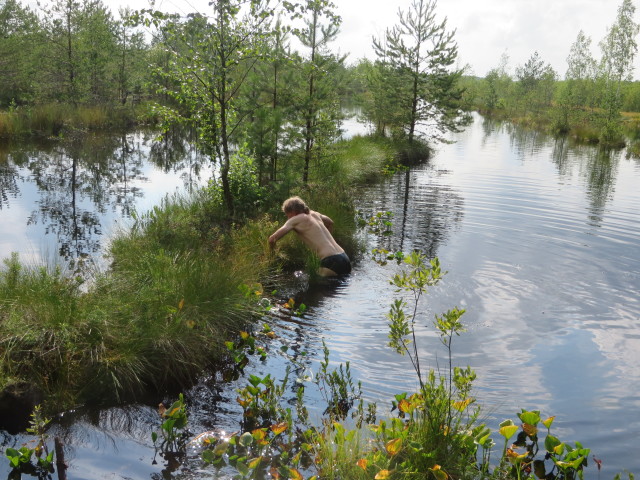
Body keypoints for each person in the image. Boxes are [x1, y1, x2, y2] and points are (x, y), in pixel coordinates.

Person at [268, 196, 352, 276]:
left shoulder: (295, 219)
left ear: (292, 212)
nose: (288, 218)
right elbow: (330, 222)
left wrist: (273, 255)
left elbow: (272, 239)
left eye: (287, 215)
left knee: (319, 285)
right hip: (344, 257)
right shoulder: (315, 214)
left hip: (330, 260)